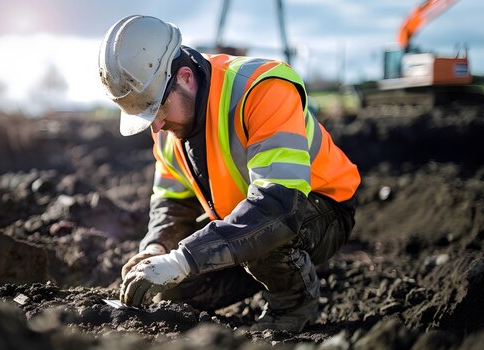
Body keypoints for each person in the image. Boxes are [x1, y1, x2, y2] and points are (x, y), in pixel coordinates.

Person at [98, 15, 360, 332]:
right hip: (245, 216)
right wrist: (158, 249)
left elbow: (279, 204)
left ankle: (293, 304)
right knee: (172, 289)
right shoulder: (166, 126)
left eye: (157, 109)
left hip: (319, 209)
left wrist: (185, 260)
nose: (155, 126)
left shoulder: (260, 89)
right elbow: (172, 203)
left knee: (262, 228)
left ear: (184, 77)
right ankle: (258, 267)